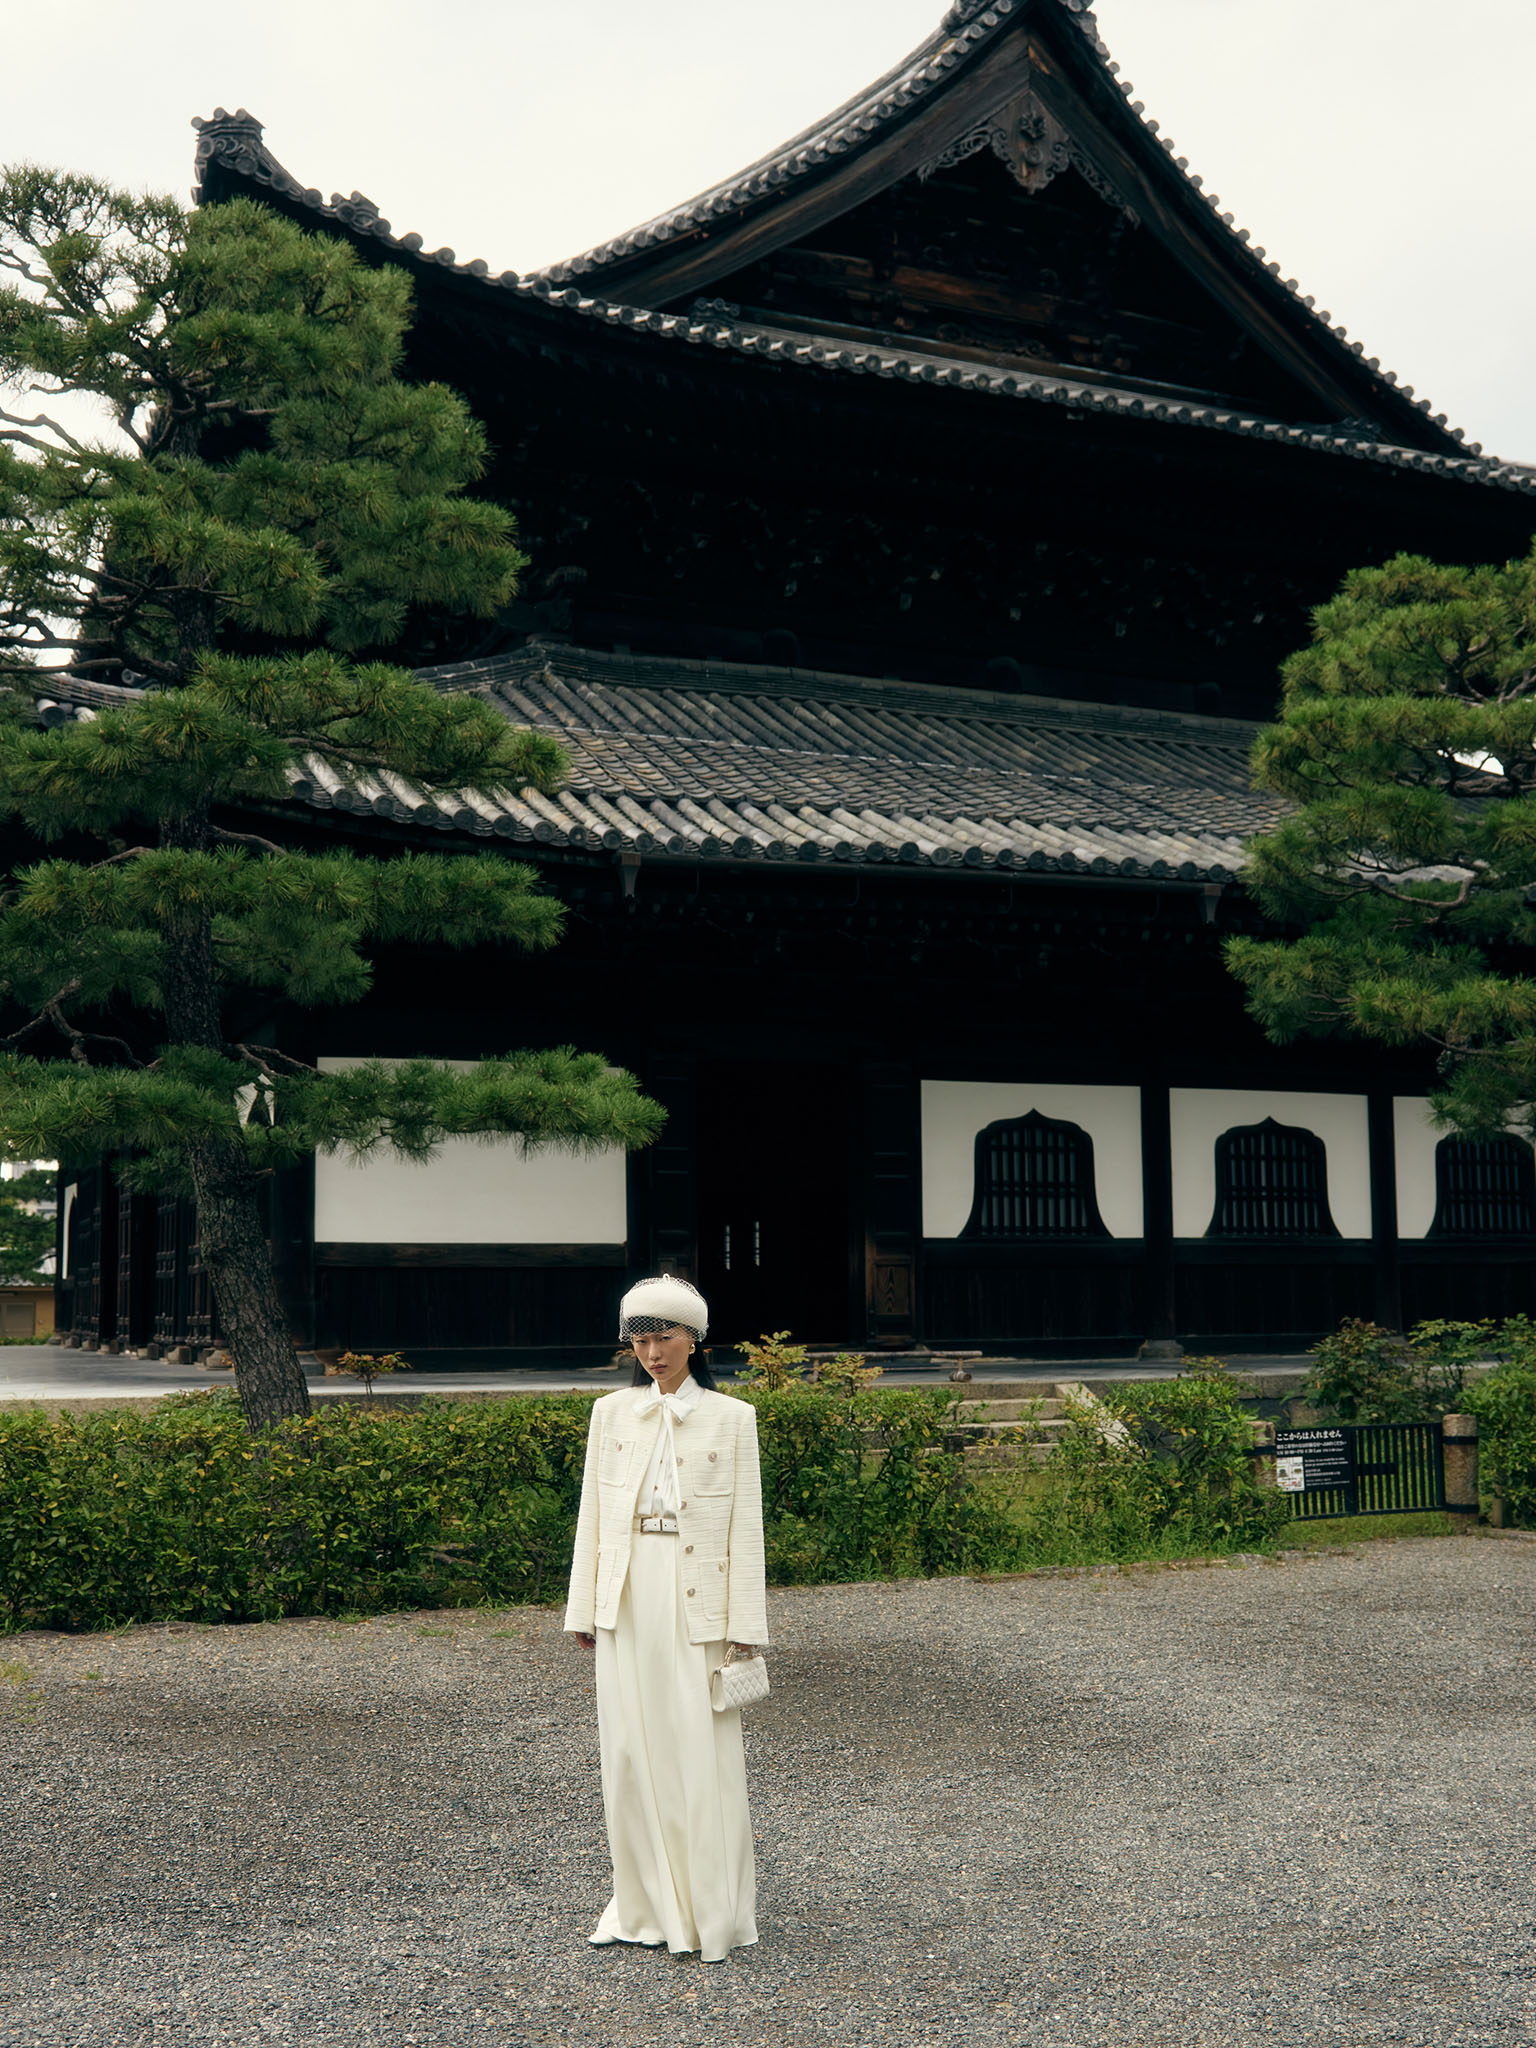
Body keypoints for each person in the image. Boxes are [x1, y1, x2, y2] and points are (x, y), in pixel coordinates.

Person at [565, 1274, 767, 1961]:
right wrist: (585, 1604)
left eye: (667, 1337)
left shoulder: (732, 1418)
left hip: (696, 1596)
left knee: (697, 1749)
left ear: (695, 1340)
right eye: (641, 1338)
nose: (653, 1351)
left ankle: (710, 1911)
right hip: (626, 1592)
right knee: (627, 1750)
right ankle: (643, 1905)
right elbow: (593, 1514)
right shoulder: (609, 1413)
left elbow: (746, 1529)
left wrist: (745, 1625)